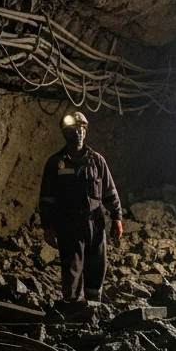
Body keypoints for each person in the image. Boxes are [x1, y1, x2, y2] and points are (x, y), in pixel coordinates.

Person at [38, 111, 123, 305]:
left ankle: (93, 307)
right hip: (69, 224)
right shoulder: (55, 163)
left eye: (81, 129)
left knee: (96, 268)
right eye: (73, 130)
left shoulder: (97, 161)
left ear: (85, 131)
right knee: (71, 269)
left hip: (95, 222)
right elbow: (47, 198)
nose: (78, 133)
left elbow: (109, 192)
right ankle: (73, 310)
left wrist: (117, 218)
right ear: (65, 133)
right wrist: (48, 227)